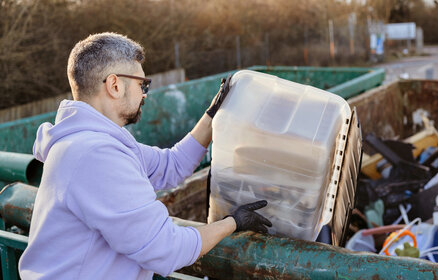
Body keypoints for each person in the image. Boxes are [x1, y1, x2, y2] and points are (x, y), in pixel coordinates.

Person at [19, 32, 271, 279]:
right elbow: (166, 249)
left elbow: (171, 165)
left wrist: (211, 115)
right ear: (115, 85)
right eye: (142, 84)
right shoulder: (95, 154)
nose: (144, 94)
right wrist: (233, 223)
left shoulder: (92, 141)